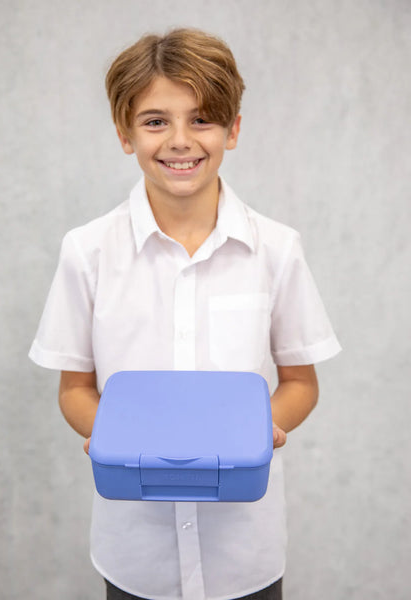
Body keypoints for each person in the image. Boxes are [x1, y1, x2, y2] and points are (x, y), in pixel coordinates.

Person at [29, 28, 341, 600]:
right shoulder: (87, 251)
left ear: (233, 130)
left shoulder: (277, 249)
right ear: (124, 133)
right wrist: (111, 437)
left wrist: (255, 434)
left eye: (201, 119)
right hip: (135, 555)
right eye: (155, 121)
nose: (180, 140)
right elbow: (75, 389)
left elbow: (301, 382)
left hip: (244, 553)